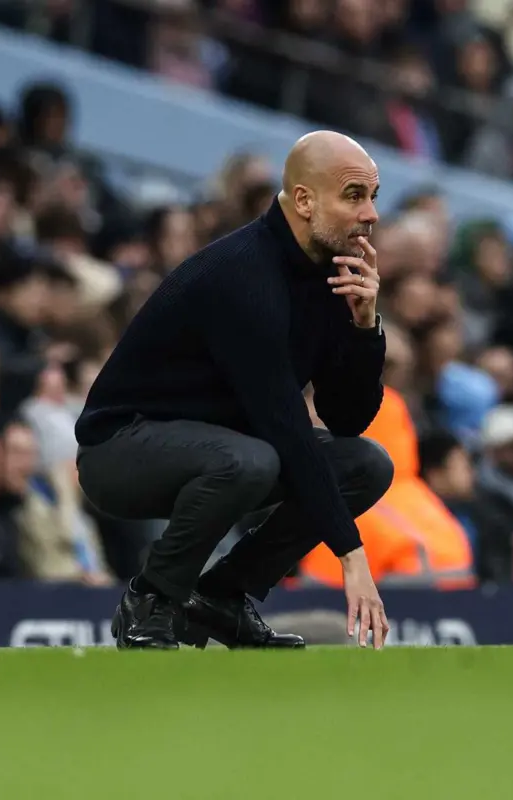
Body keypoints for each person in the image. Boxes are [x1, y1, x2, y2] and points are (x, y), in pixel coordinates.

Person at [75, 131, 395, 650]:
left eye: (373, 196)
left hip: (224, 446)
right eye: (354, 195)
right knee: (252, 460)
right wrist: (351, 555)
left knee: (365, 464)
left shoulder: (333, 274)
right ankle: (150, 599)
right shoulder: (243, 274)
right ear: (306, 201)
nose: (371, 214)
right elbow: (286, 425)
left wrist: (363, 328)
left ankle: (222, 597)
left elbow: (345, 419)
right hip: (120, 450)